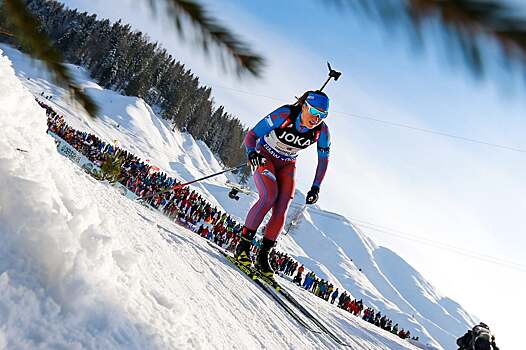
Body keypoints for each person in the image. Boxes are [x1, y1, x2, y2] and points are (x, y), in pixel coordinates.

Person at [234, 90, 331, 280]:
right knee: (269, 196)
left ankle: (263, 256)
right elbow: (251, 135)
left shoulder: (322, 131)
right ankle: (243, 247)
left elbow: (324, 159)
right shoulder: (284, 115)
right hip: (265, 155)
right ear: (304, 106)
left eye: (322, 115)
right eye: (314, 111)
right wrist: (252, 153)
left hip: (287, 164)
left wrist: (316, 187)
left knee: (283, 206)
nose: (316, 118)